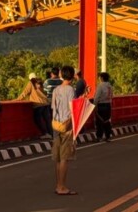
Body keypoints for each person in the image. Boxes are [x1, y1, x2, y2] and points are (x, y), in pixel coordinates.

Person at [51, 65, 77, 196]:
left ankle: (58, 185)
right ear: (72, 76)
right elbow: (73, 108)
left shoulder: (56, 90)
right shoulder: (71, 90)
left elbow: (53, 107)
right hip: (66, 125)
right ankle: (62, 187)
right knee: (64, 158)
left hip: (56, 125)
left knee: (57, 157)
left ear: (61, 75)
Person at [17, 72, 51, 139]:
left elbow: (25, 93)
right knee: (47, 119)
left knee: (37, 119)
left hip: (38, 104)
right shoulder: (40, 82)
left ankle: (45, 133)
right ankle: (50, 134)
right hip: (45, 103)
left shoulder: (31, 83)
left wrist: (17, 99)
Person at [93, 72, 113, 142]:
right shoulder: (110, 86)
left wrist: (94, 105)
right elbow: (111, 96)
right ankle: (108, 136)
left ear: (101, 78)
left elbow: (97, 97)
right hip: (108, 105)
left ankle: (99, 136)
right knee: (107, 121)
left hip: (101, 105)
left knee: (99, 121)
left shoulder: (100, 86)